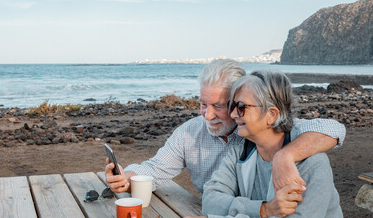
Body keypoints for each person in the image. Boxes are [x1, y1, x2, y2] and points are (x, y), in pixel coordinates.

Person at [105, 59, 345, 195]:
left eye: (219, 106)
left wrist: (285, 155)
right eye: (202, 104)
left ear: (238, 101)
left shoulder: (261, 131)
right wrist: (126, 178)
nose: (207, 116)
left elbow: (334, 130)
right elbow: (155, 168)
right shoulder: (190, 133)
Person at [201, 70, 342, 218]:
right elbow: (210, 201)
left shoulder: (312, 164)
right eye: (232, 105)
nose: (233, 114)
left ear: (272, 114)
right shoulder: (240, 151)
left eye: (241, 106)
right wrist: (263, 209)